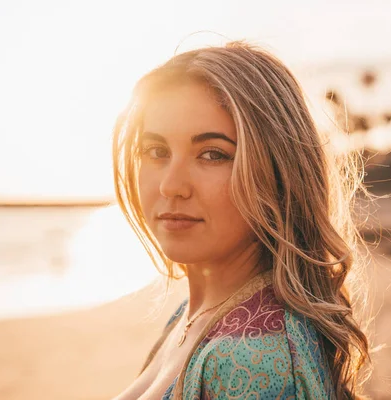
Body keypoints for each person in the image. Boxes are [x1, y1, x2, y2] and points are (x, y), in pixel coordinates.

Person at [111, 41, 371, 400]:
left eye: (212, 154)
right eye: (156, 151)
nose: (171, 185)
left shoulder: (250, 360)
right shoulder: (193, 314)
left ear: (278, 173)